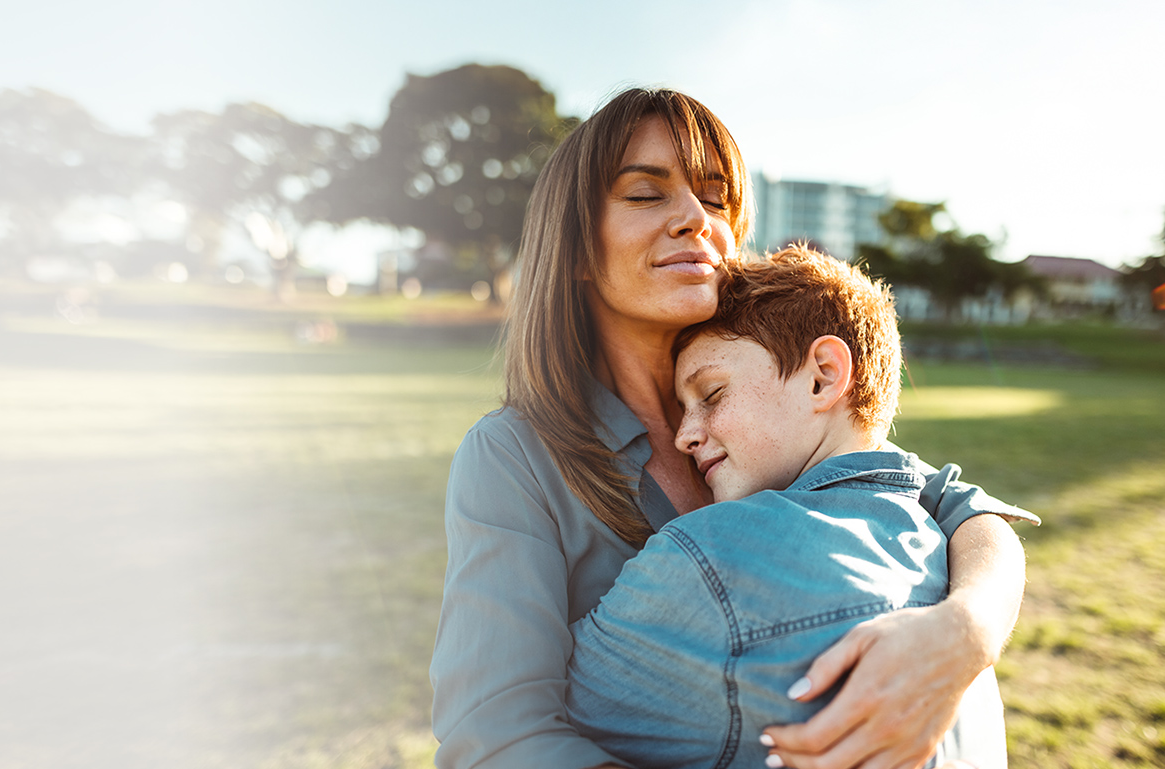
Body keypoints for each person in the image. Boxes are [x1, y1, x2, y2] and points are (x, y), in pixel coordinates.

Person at [430, 88, 1035, 769]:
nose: (695, 218)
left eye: (715, 197)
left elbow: (959, 505)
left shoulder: (771, 400)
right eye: (645, 194)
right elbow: (496, 732)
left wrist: (963, 634)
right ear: (574, 246)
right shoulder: (513, 455)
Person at [563, 246, 1032, 769]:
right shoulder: (939, 540)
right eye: (682, 409)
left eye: (712, 393)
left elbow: (540, 706)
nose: (683, 437)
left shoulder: (711, 554)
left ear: (824, 376)